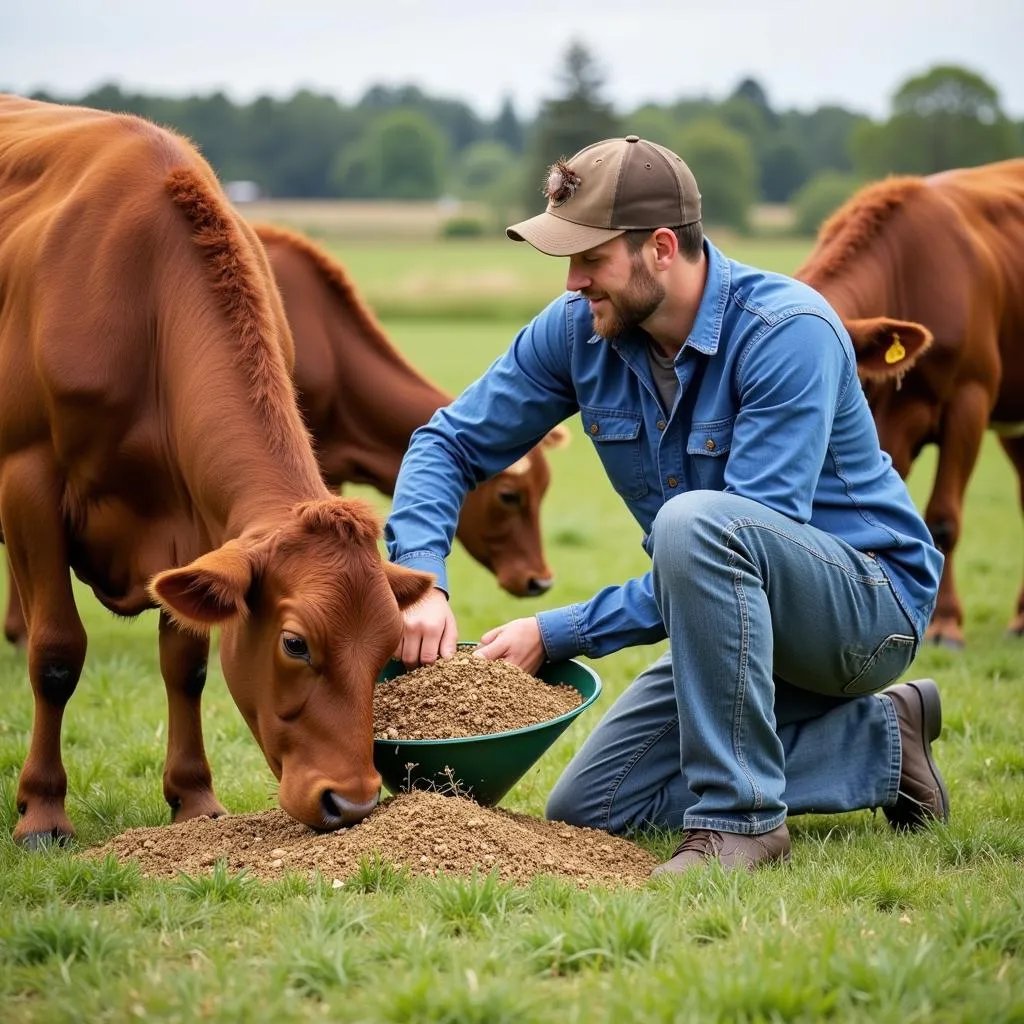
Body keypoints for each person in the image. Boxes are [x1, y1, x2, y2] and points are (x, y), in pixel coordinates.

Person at [384, 135, 949, 873]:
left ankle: (740, 822)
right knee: (595, 806)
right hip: (728, 613)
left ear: (659, 248)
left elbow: (738, 535)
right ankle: (882, 741)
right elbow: (447, 443)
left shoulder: (787, 333)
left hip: (866, 607)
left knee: (699, 521)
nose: (572, 284)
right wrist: (421, 581)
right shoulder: (578, 331)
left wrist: (559, 631)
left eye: (591, 259)